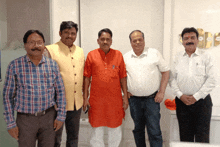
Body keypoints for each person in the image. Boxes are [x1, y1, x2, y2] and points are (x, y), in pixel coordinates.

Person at [3, 30, 66, 147]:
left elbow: (61, 92)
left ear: (44, 45)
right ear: (25, 45)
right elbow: (7, 96)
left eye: (39, 42)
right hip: (25, 120)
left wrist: (61, 116)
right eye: (31, 42)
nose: (36, 46)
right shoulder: (14, 66)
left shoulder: (52, 65)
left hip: (49, 118)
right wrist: (10, 123)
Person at [124, 30, 170, 147]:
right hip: (134, 100)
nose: (138, 42)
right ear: (130, 42)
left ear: (144, 40)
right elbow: (121, 77)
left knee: (154, 130)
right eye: (135, 40)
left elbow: (165, 71)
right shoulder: (125, 57)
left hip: (152, 99)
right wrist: (125, 92)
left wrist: (162, 92)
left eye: (140, 39)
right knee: (138, 130)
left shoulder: (154, 53)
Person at [83, 28, 128, 147]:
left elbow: (123, 77)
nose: (105, 41)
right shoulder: (91, 55)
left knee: (115, 129)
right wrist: (85, 98)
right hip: (96, 101)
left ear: (111, 41)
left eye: (108, 39)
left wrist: (125, 98)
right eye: (102, 39)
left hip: (115, 101)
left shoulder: (118, 55)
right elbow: (86, 77)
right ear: (98, 40)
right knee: (97, 129)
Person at [169, 27, 216, 143]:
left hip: (202, 102)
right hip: (182, 103)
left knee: (202, 138)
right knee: (185, 138)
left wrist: (196, 96)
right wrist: (180, 95)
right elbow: (171, 79)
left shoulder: (206, 57)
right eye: (186, 38)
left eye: (192, 37)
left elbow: (212, 80)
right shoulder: (177, 57)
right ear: (182, 41)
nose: (189, 40)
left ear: (197, 40)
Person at [45, 21, 84, 147]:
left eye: (73, 33)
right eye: (66, 32)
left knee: (73, 138)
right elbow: (44, 78)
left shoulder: (80, 51)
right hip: (56, 105)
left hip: (75, 103)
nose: (70, 36)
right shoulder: (50, 50)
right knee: (55, 139)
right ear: (60, 33)